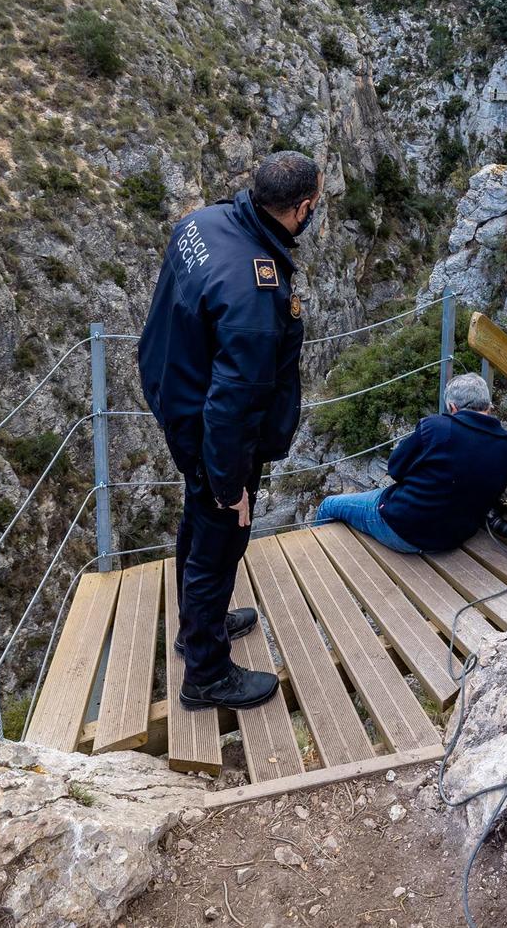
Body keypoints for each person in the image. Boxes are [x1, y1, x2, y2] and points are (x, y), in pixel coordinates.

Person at [139, 150, 321, 712]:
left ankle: (201, 626)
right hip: (211, 431)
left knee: (199, 524)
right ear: (303, 207)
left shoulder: (202, 222)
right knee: (219, 541)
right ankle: (206, 675)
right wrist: (229, 483)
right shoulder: (253, 295)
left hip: (175, 395)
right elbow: (233, 406)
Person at [315, 372, 507, 553]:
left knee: (329, 506)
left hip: (403, 529)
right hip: (452, 538)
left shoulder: (437, 428)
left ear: (453, 407)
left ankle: (317, 566)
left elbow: (395, 469)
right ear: (489, 406)